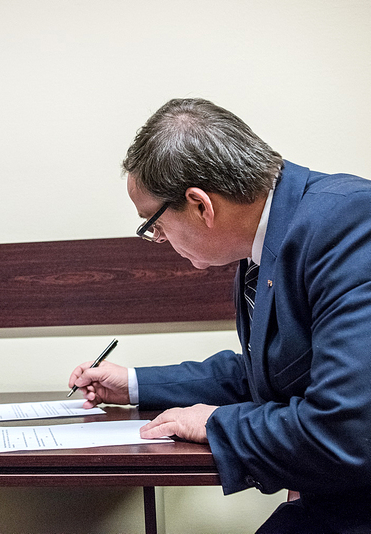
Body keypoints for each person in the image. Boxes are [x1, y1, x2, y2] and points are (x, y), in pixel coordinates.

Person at [69, 98, 371, 533]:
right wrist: (133, 382)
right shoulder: (269, 239)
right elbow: (270, 373)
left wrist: (215, 423)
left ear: (200, 205)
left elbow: (345, 432)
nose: (158, 238)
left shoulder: (349, 224)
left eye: (153, 224)